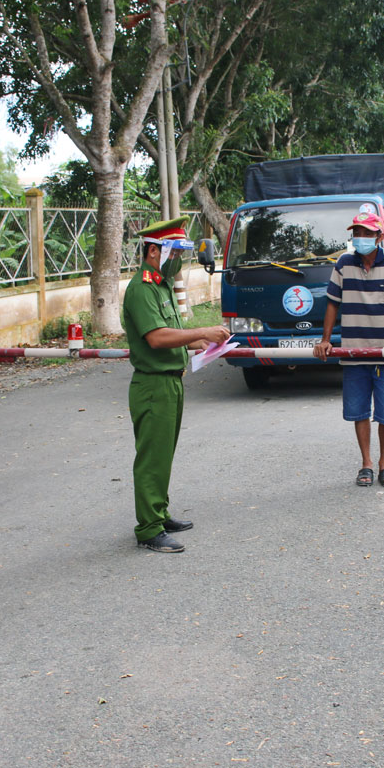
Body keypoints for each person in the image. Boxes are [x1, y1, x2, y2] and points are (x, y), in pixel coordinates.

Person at [123, 217, 231, 553]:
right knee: (152, 458)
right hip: (152, 385)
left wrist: (191, 345)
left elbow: (168, 335)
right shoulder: (142, 289)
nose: (179, 261)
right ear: (154, 251)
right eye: (175, 252)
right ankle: (149, 529)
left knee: (163, 455)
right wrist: (201, 332)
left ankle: (159, 512)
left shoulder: (162, 285)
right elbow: (155, 337)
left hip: (170, 383)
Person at [314, 210, 384, 488]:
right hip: (353, 352)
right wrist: (326, 340)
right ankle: (367, 463)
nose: (360, 238)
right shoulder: (343, 264)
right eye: (357, 233)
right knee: (358, 411)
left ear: (378, 236)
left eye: (366, 233)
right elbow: (332, 304)